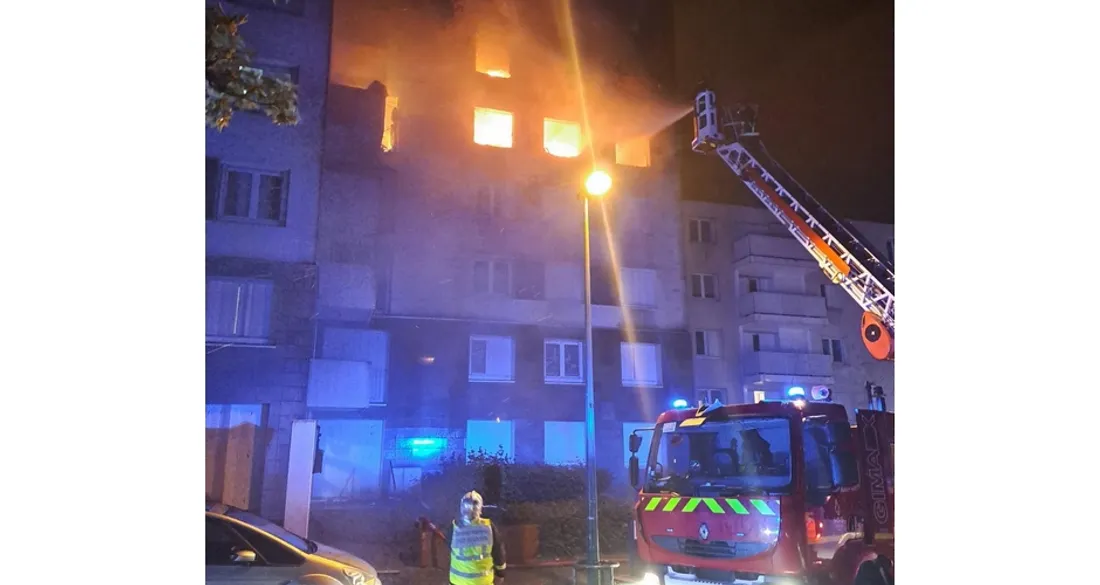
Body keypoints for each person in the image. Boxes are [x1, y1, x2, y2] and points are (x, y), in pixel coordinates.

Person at [449, 491, 506, 585]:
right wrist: (500, 574)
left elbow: (449, 546)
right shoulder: (489, 526)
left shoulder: (454, 527)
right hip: (482, 582)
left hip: (458, 581)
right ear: (480, 508)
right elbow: (498, 552)